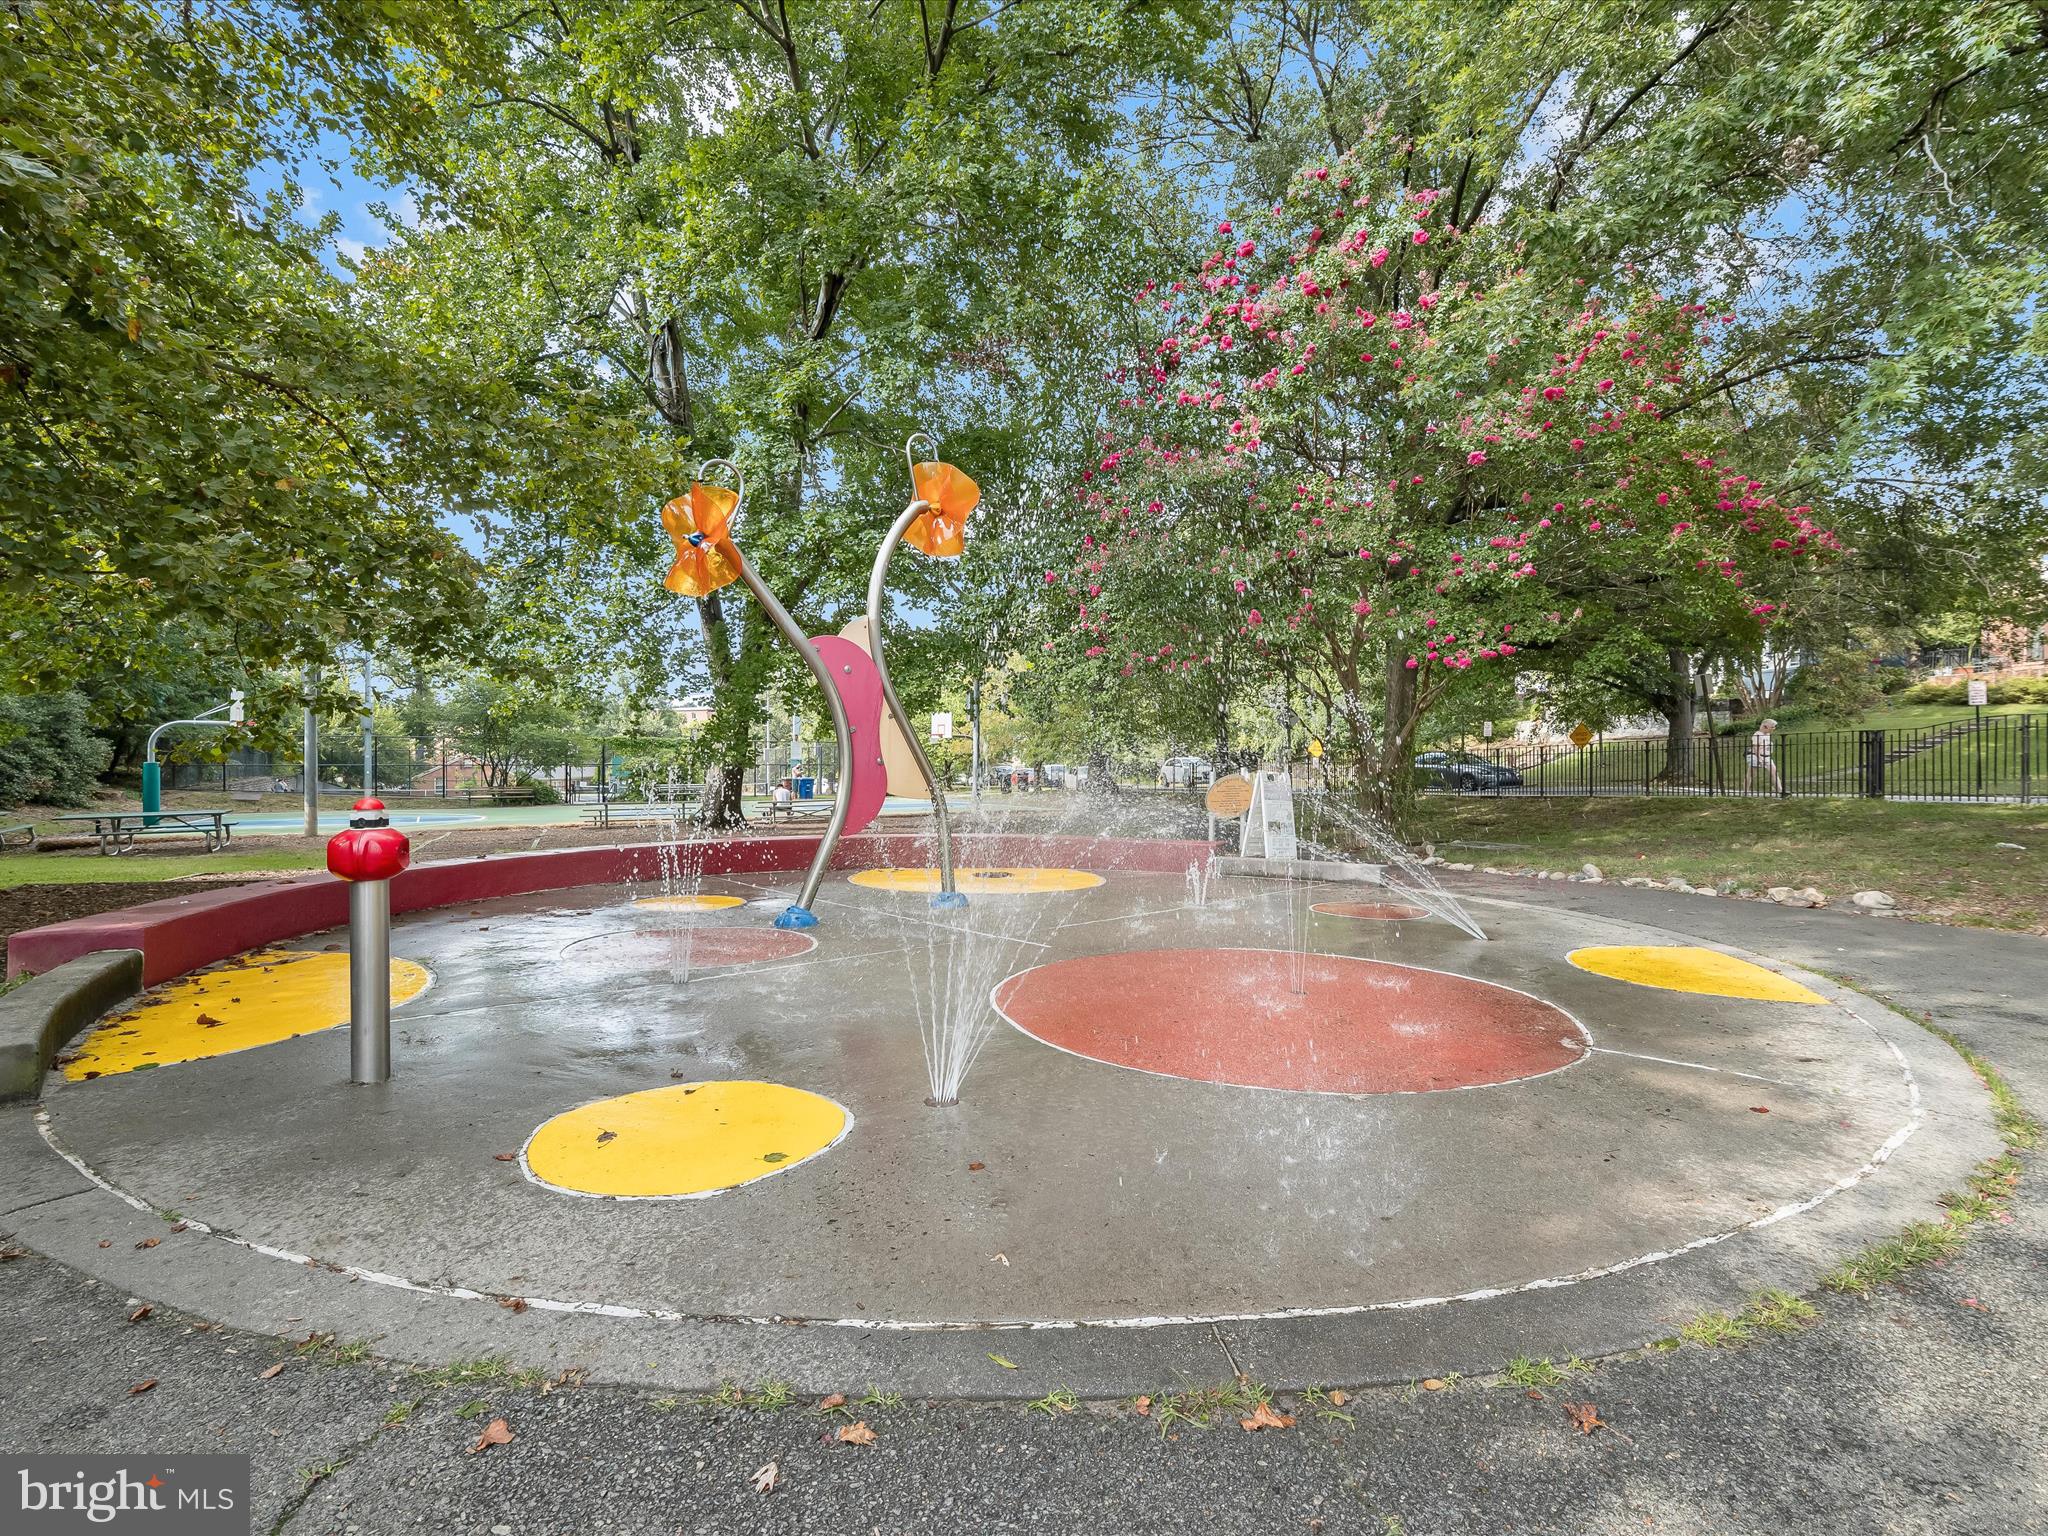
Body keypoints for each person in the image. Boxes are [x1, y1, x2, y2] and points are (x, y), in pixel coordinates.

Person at [1745, 718, 1781, 795]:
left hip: (1767, 756)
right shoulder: (1757, 735)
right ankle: (1745, 791)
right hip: (1756, 756)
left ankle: (1780, 790)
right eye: (1772, 727)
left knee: (1774, 773)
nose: (1774, 729)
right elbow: (1755, 748)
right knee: (1751, 774)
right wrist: (1760, 758)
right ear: (1765, 726)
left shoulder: (1767, 734)